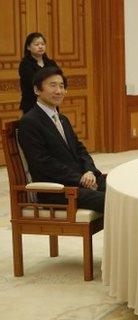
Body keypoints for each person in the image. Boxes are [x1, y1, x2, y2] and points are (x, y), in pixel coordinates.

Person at [18, 66, 105, 213]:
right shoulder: (29, 122)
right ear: (37, 90)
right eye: (52, 85)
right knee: (110, 200)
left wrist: (89, 172)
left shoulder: (62, 119)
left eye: (62, 86)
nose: (59, 91)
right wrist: (79, 178)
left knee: (121, 190)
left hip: (80, 182)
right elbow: (43, 162)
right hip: (58, 190)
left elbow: (80, 149)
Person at [19, 32, 59, 113]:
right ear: (28, 47)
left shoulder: (51, 63)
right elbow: (33, 83)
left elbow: (59, 79)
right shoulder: (25, 65)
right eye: (37, 44)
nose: (40, 47)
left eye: (43, 44)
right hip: (32, 104)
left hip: (51, 103)